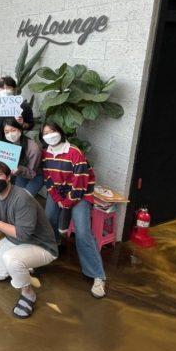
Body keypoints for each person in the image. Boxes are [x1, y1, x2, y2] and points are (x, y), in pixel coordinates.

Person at [0, 161, 58, 319]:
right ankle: (24, 266)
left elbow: (23, 235)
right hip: (14, 240)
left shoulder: (22, 198)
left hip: (41, 245)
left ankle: (28, 293)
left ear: (8, 177)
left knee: (12, 259)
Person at [40, 121, 106, 299]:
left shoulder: (75, 153)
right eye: (45, 133)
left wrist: (67, 202)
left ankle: (98, 275)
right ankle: (51, 247)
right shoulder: (45, 153)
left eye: (53, 131)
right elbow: (47, 178)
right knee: (48, 219)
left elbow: (80, 182)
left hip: (80, 194)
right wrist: (57, 199)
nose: (50, 135)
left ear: (60, 132)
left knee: (83, 231)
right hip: (58, 193)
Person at [2, 118, 44, 196]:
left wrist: (19, 169)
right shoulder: (8, 145)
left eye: (13, 130)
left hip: (36, 174)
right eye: (6, 132)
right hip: (21, 173)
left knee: (24, 197)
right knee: (16, 195)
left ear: (20, 130)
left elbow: (32, 173)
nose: (10, 134)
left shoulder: (33, 148)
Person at [0, 76, 35, 141]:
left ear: (14, 89)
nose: (5, 90)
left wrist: (23, 124)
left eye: (8, 88)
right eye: (2, 88)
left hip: (17, 142)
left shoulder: (24, 106)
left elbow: (31, 125)